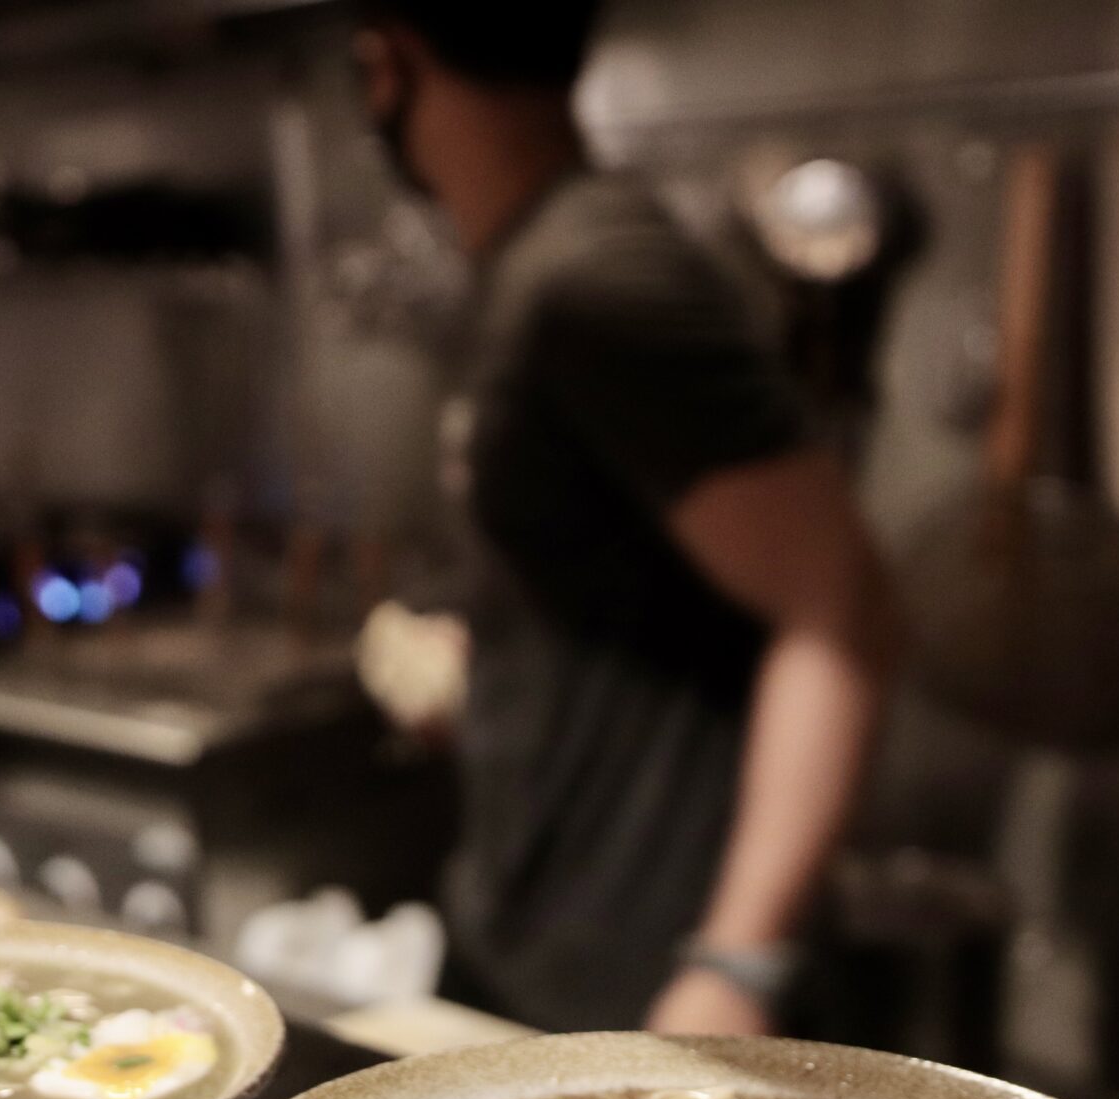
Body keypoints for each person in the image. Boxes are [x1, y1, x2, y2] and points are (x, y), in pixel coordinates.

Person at [353, 0, 899, 1037]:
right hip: (528, 939)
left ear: (387, 63)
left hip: (649, 978)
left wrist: (735, 962)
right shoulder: (532, 264)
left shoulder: (599, 280)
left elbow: (846, 610)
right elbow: (619, 584)